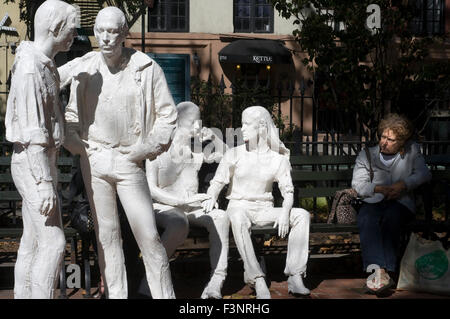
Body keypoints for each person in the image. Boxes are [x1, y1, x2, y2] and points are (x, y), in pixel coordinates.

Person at [58, 7, 177, 299]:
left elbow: (168, 116)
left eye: (113, 31)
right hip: (95, 158)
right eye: (101, 31)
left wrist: (144, 150)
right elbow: (70, 112)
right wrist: (77, 145)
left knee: (148, 237)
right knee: (106, 237)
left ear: (124, 33)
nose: (106, 38)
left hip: (129, 159)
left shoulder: (146, 67)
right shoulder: (84, 67)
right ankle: (116, 295)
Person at [5, 0, 77, 299]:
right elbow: (33, 130)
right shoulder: (31, 69)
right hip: (34, 166)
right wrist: (45, 182)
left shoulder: (44, 65)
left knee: (33, 241)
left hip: (41, 162)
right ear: (55, 27)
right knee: (54, 242)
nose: (75, 34)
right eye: (71, 28)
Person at [203, 106, 311, 299]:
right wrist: (211, 195)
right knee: (236, 216)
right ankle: (257, 278)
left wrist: (286, 212)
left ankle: (295, 276)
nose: (241, 128)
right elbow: (217, 182)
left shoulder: (278, 160)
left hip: (265, 209)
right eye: (241, 124)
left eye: (246, 124)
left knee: (301, 215)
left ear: (261, 127)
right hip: (239, 207)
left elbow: (288, 191)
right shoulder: (234, 154)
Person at [146, 101, 230, 299]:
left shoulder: (195, 154)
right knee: (178, 223)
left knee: (221, 217)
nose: (199, 127)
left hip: (192, 207)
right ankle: (151, 280)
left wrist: (216, 139)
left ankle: (215, 281)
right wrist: (179, 202)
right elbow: (151, 190)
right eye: (195, 122)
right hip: (165, 208)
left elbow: (228, 154)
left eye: (199, 122)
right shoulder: (156, 153)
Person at [352, 113, 432, 294]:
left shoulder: (412, 152)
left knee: (391, 217)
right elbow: (358, 184)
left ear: (402, 141)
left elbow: (424, 174)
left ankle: (385, 272)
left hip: (401, 203)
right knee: (366, 217)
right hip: (374, 201)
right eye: (383, 137)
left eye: (391, 139)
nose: (384, 142)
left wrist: (403, 185)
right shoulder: (367, 155)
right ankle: (379, 272)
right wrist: (379, 189)